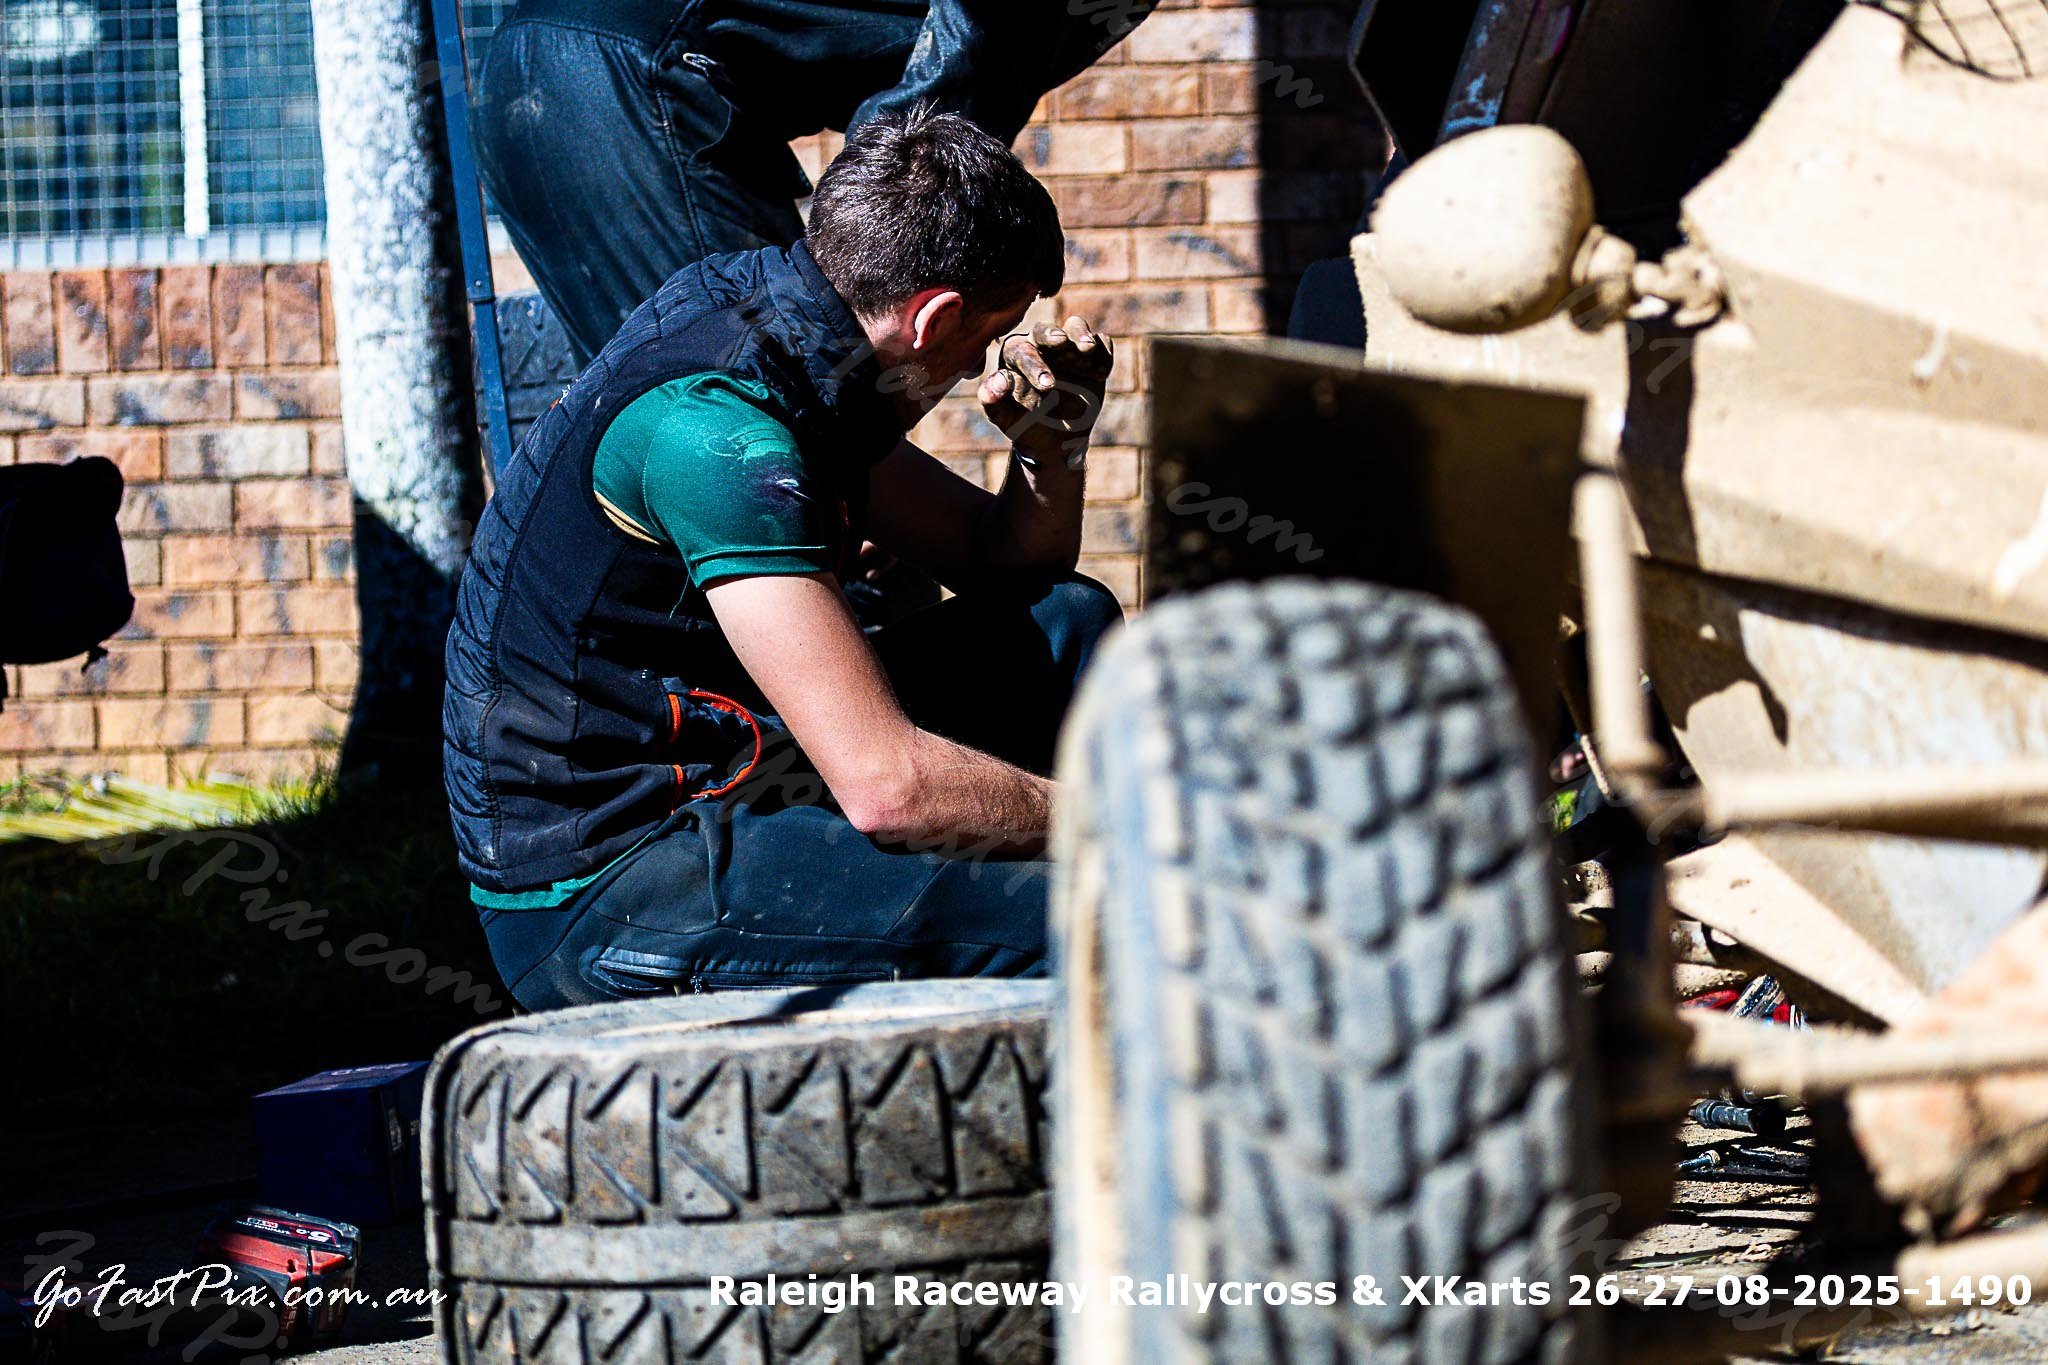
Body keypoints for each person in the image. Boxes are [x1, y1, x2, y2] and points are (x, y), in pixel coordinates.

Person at [443, 109, 1123, 1010]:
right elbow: (889, 786)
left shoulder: (799, 332)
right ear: (935, 318)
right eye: (979, 343)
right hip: (605, 889)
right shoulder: (722, 435)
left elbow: (1003, 562)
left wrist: (1050, 447)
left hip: (734, 767)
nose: (972, 372)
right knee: (1110, 917)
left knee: (1065, 622)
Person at [472, 0, 1158, 364]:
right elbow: (914, 158)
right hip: (624, 83)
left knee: (721, 434)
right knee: (785, 444)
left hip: (566, 71)